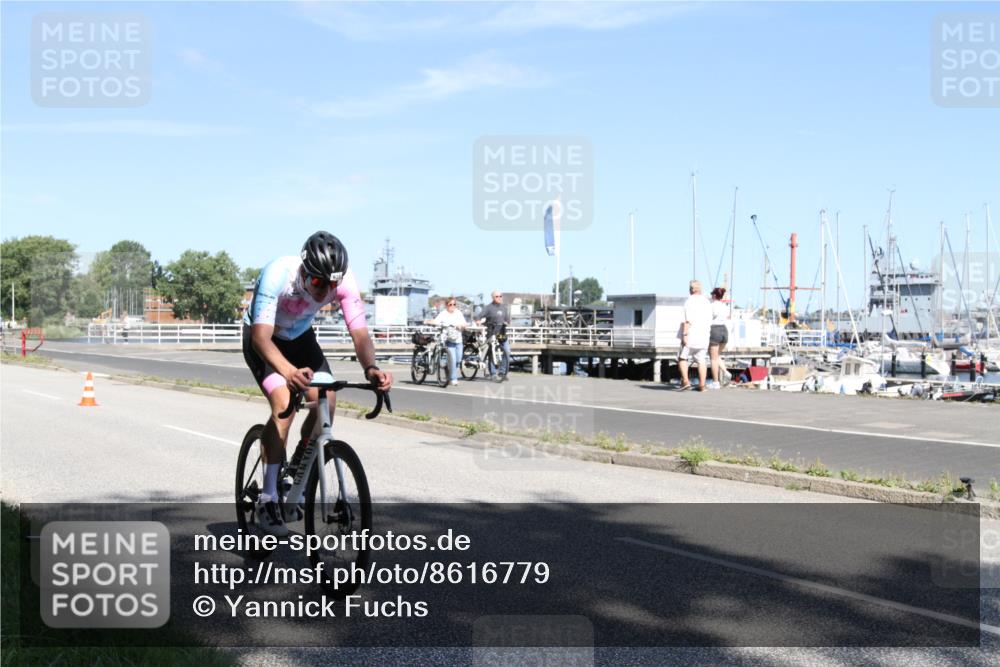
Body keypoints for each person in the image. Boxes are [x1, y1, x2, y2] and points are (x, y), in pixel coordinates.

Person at [243, 231, 393, 536]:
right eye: (317, 283)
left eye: (331, 286)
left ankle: (298, 464)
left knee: (328, 399)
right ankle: (269, 498)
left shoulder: (343, 281)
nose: (324, 291)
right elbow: (260, 338)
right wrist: (287, 371)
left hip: (299, 338)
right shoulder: (278, 275)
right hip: (264, 339)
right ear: (304, 270)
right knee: (284, 404)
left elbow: (359, 333)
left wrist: (371, 368)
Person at [677, 280, 712, 391]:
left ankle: (686, 381)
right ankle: (702, 385)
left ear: (690, 289)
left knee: (682, 358)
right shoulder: (707, 302)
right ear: (700, 289)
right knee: (701, 360)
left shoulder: (689, 302)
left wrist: (685, 335)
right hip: (704, 335)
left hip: (691, 335)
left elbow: (687, 320)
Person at [424, 297, 467, 386]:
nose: (452, 306)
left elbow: (464, 323)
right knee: (453, 359)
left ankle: (448, 367)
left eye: (454, 304)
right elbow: (436, 321)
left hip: (458, 340)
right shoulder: (443, 314)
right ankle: (453, 379)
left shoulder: (458, 313)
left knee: (458, 360)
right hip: (448, 340)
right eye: (450, 304)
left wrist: (461, 326)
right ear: (446, 305)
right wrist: (428, 321)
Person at [476, 290, 511, 379]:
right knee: (492, 352)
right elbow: (479, 316)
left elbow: (507, 320)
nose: (499, 298)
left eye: (500, 296)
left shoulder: (504, 308)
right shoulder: (488, 308)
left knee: (507, 351)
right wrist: (478, 321)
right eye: (497, 296)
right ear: (493, 298)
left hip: (501, 332)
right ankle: (493, 373)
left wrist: (507, 323)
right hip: (491, 332)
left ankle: (502, 372)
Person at [708, 287, 730, 389]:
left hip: (714, 329)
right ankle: (726, 372)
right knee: (716, 356)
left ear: (714, 295)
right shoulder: (724, 306)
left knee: (713, 358)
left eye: (712, 294)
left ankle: (715, 382)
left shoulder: (711, 306)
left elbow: (709, 318)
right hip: (724, 330)